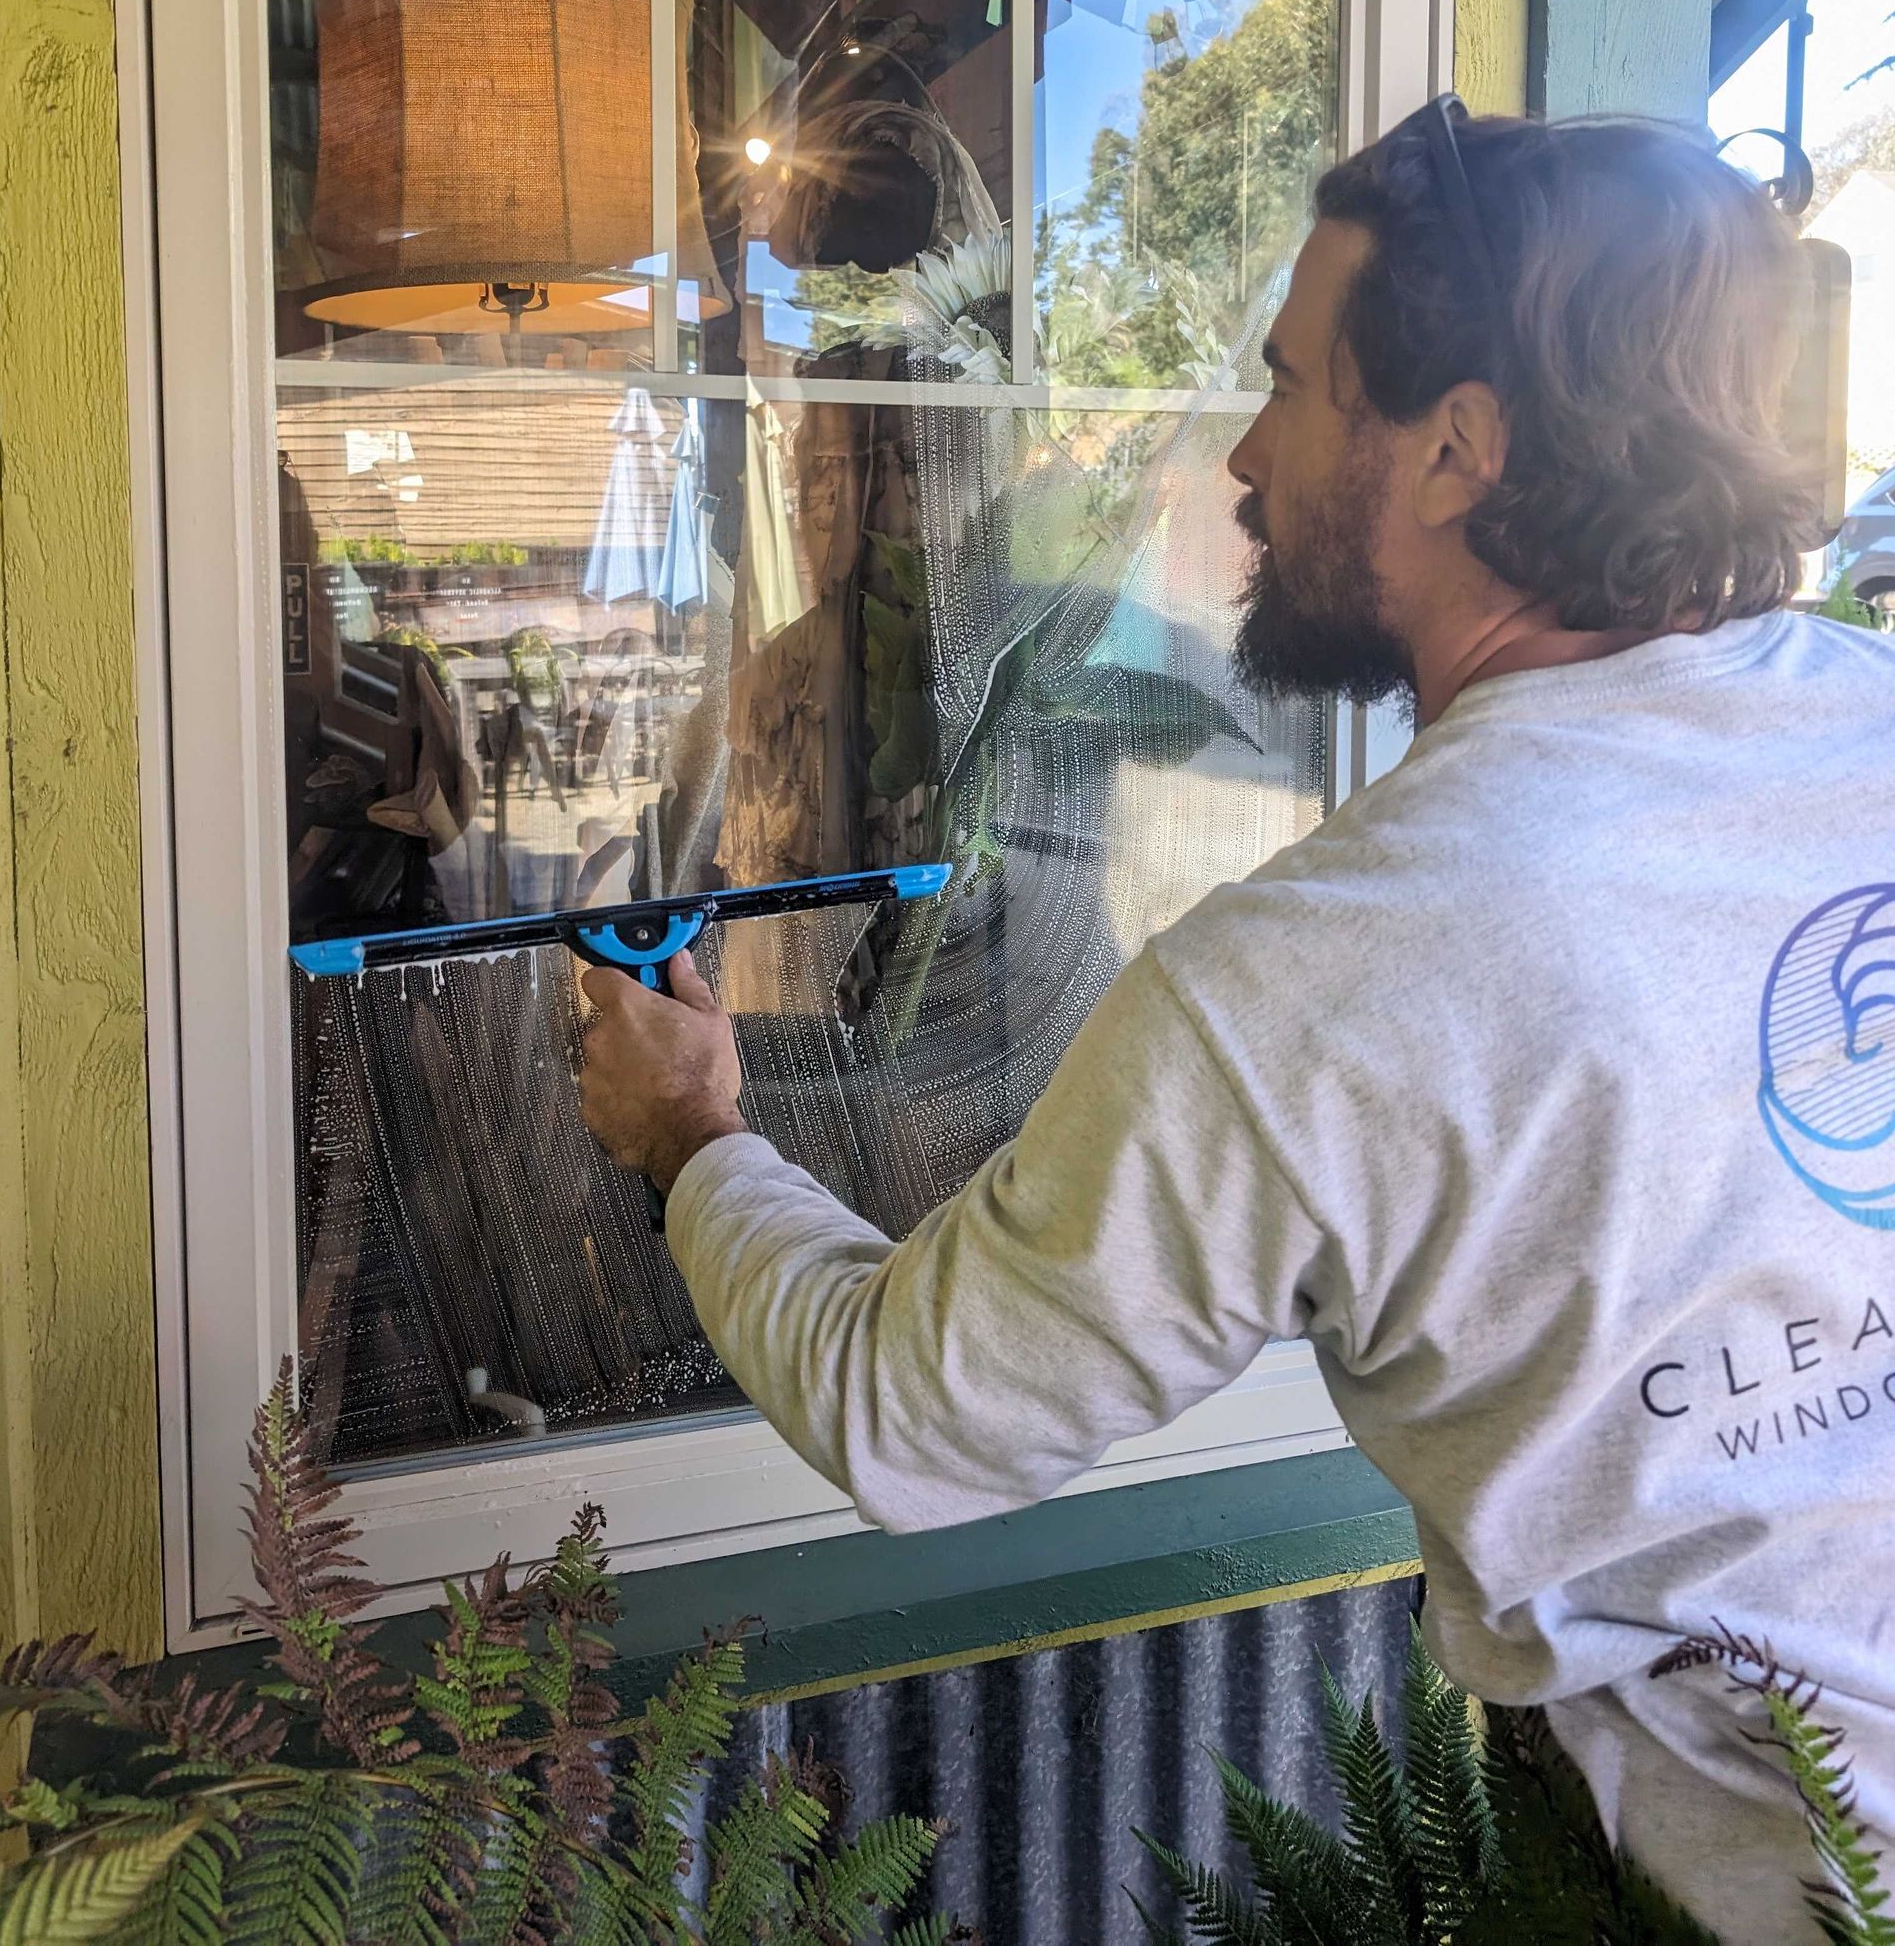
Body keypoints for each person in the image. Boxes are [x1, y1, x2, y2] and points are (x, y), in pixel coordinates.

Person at [578, 102, 1893, 1943]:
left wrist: (691, 1135)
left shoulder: (1315, 979)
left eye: (1292, 385)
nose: (1246, 456)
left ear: (1461, 446)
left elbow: (912, 1412)